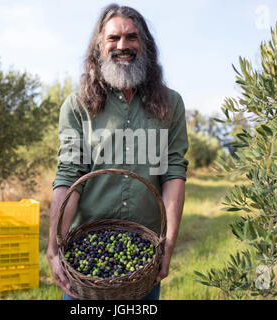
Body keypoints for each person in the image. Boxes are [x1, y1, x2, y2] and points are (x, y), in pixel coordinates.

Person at [47, 4, 188, 300]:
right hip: (86, 254)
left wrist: (169, 243)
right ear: (100, 45)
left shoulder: (170, 104)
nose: (122, 46)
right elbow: (69, 178)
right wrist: (54, 245)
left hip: (143, 255)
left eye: (131, 38)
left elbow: (174, 172)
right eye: (113, 38)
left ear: (144, 44)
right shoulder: (77, 106)